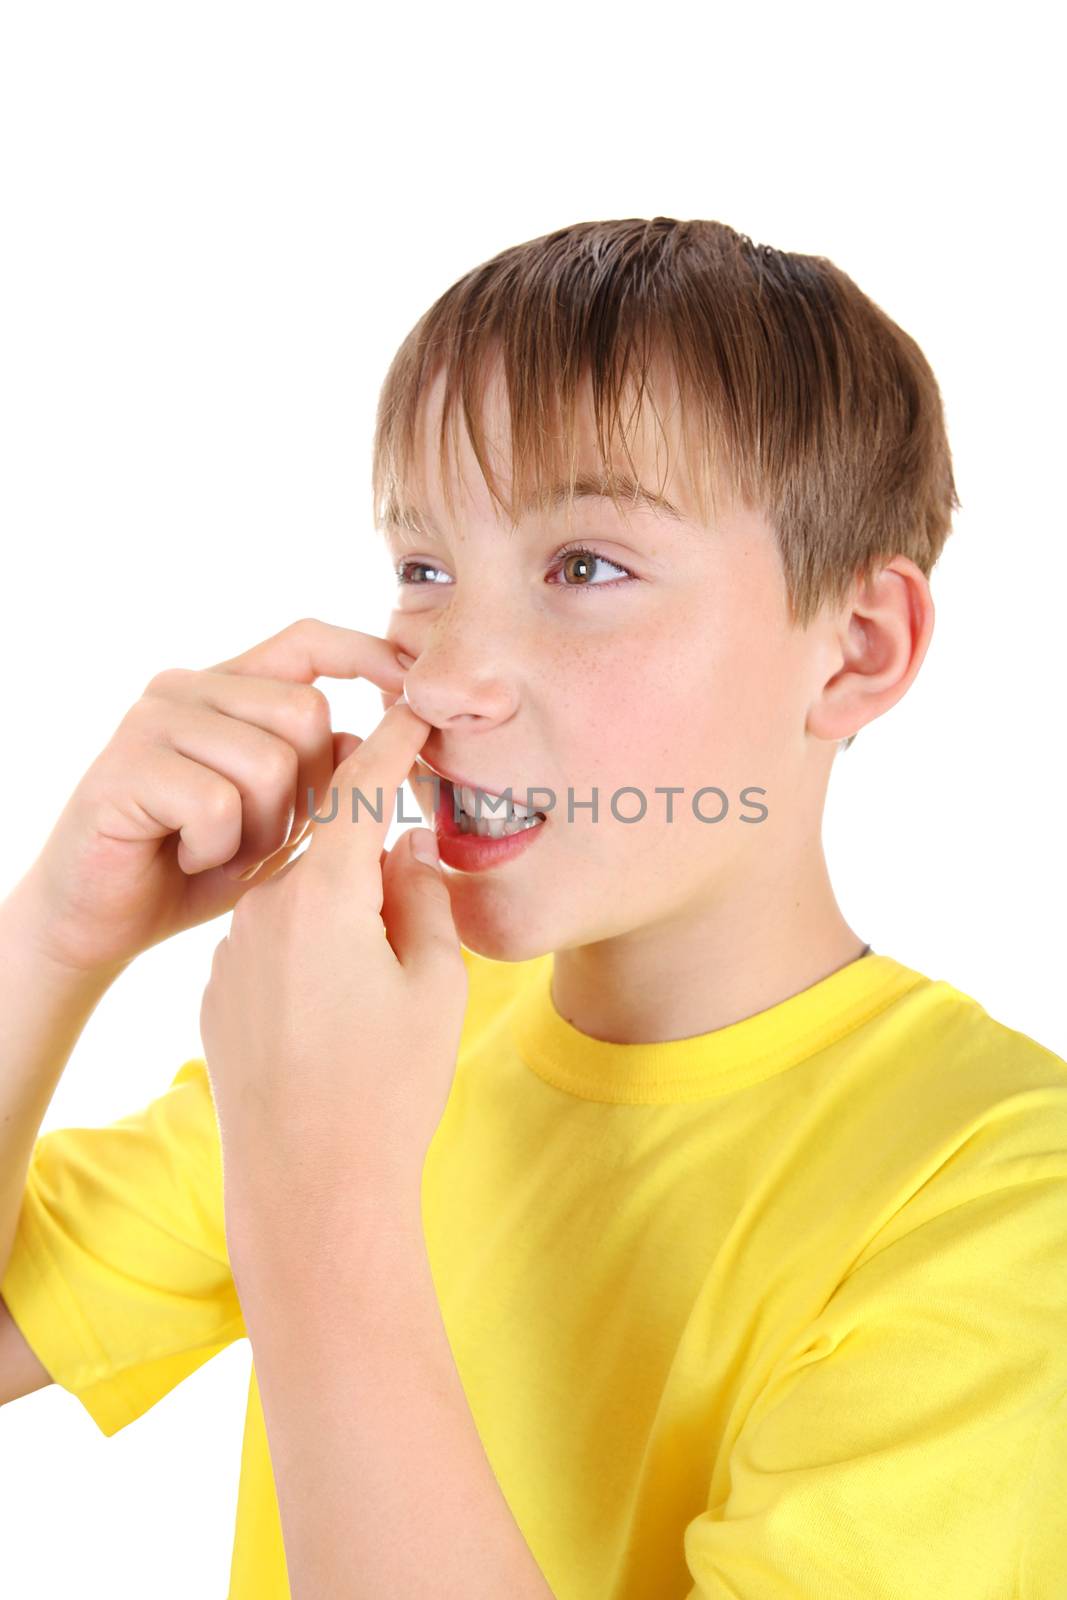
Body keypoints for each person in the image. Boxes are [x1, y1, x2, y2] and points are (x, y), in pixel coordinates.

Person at [1, 217, 1064, 1598]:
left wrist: (321, 1191)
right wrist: (56, 933)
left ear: (857, 650)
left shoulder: (996, 1202)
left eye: (587, 568)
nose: (441, 677)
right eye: (424, 569)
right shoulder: (402, 1024)